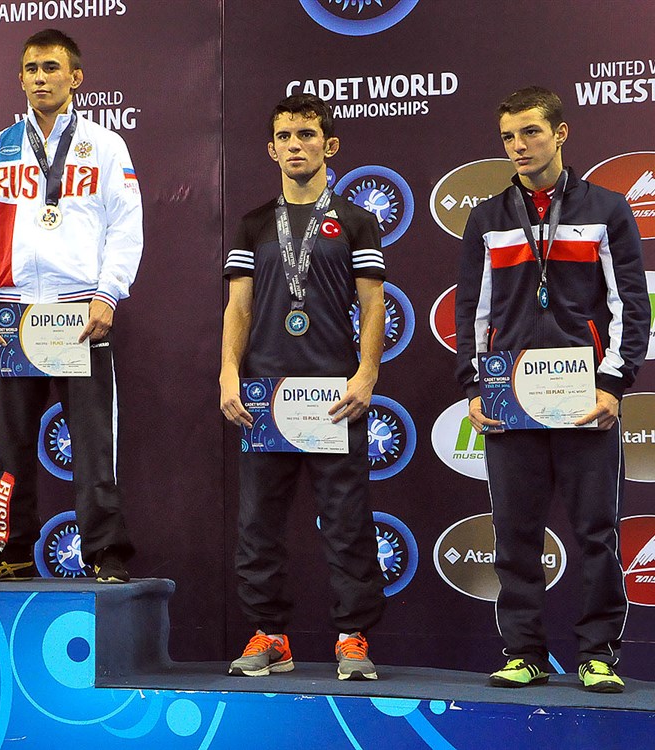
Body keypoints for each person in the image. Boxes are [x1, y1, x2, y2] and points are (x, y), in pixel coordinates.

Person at [455, 86, 648, 692]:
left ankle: (598, 653)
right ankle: (524, 651)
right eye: (508, 136)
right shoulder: (487, 219)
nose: (519, 146)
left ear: (560, 133)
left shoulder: (607, 209)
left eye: (531, 132)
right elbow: (472, 312)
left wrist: (614, 384)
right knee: (514, 534)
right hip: (510, 399)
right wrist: (474, 387)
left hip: (585, 398)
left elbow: (630, 304)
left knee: (596, 533)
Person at [0, 29, 142, 583]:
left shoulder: (104, 145)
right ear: (20, 78)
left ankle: (105, 552)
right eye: (32, 69)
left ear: (75, 77)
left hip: (80, 309)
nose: (41, 78)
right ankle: (11, 550)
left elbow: (125, 224)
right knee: (10, 445)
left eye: (52, 68)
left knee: (92, 442)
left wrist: (109, 293)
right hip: (12, 312)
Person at [220, 94, 387, 680]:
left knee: (346, 520)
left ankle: (352, 638)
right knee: (258, 524)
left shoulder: (357, 221)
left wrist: (367, 374)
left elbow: (373, 305)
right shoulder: (253, 224)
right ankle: (270, 635)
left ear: (328, 145)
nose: (296, 145)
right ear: (271, 149)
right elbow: (238, 309)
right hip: (264, 397)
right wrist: (228, 372)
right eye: (285, 136)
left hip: (334, 394)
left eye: (307, 135)